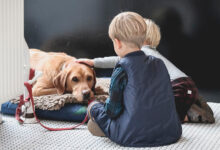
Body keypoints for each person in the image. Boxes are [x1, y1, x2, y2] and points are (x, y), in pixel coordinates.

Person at [77, 18, 215, 124]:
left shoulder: (142, 52)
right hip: (186, 84)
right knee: (178, 102)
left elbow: (117, 59)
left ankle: (186, 116)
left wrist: (94, 62)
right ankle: (193, 106)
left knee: (165, 114)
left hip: (176, 86)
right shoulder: (152, 54)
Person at [84, 11, 182, 147]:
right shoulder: (159, 63)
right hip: (170, 131)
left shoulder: (121, 69)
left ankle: (95, 112)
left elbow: (112, 111)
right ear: (143, 41)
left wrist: (95, 106)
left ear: (117, 43)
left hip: (132, 135)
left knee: (93, 108)